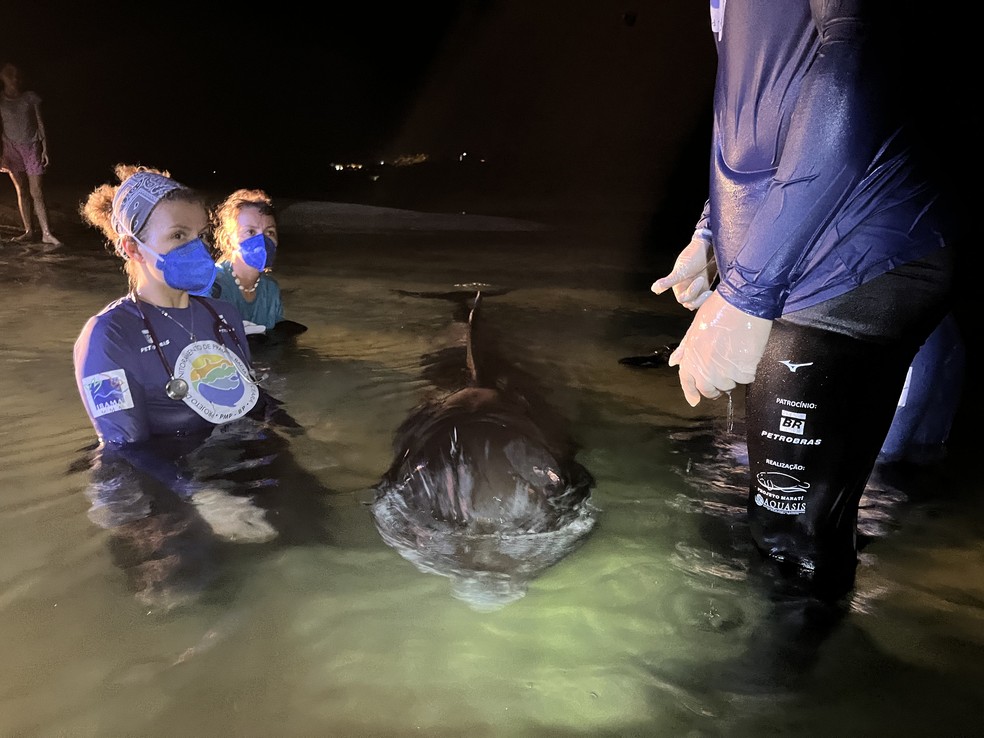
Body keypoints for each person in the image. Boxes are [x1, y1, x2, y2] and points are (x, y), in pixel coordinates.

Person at [650, 1, 959, 601]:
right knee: (796, 530)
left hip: (846, 254)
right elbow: (761, 105)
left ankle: (769, 693)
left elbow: (853, 59)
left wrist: (746, 292)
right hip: (809, 255)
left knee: (789, 538)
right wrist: (714, 233)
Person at [74, 165, 327, 607]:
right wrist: (201, 496)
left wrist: (299, 432)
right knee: (184, 590)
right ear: (130, 247)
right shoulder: (107, 336)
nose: (195, 249)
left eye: (197, 236)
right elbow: (124, 447)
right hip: (150, 467)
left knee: (316, 538)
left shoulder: (221, 316)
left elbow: (246, 393)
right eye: (177, 237)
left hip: (229, 446)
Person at [209, 188, 306, 343]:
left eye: (270, 232)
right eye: (251, 232)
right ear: (229, 241)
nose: (262, 241)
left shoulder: (271, 289)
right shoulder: (213, 285)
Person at [0, 62, 61, 245]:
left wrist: (45, 147)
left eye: (17, 76)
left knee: (37, 191)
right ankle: (28, 230)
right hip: (10, 147)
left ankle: (46, 233)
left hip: (31, 145)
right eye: (11, 75)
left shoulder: (30, 97)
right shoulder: (1, 101)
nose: (15, 79)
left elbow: (40, 122)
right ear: (3, 78)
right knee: (22, 191)